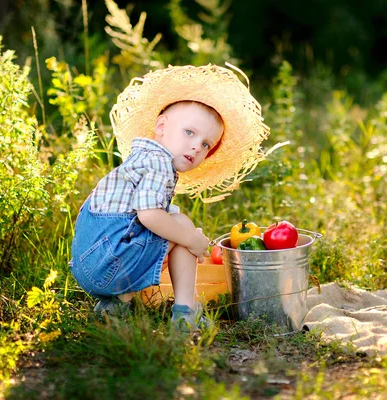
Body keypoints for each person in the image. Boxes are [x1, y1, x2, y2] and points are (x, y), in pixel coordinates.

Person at [69, 64, 270, 331]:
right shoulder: (158, 163)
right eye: (190, 133)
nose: (197, 146)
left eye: (206, 144)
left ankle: (114, 305)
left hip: (88, 266)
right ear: (161, 126)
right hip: (109, 263)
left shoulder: (140, 158)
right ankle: (186, 314)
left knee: (172, 221)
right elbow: (149, 215)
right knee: (183, 226)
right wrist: (191, 239)